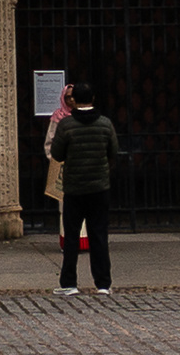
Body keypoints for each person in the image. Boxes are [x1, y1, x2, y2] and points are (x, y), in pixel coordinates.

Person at [48, 78, 122, 295]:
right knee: (99, 235)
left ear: (74, 100)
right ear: (92, 99)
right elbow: (113, 151)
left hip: (74, 188)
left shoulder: (66, 125)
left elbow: (57, 154)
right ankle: (103, 283)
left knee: (71, 237)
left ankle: (69, 283)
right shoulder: (105, 124)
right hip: (99, 187)